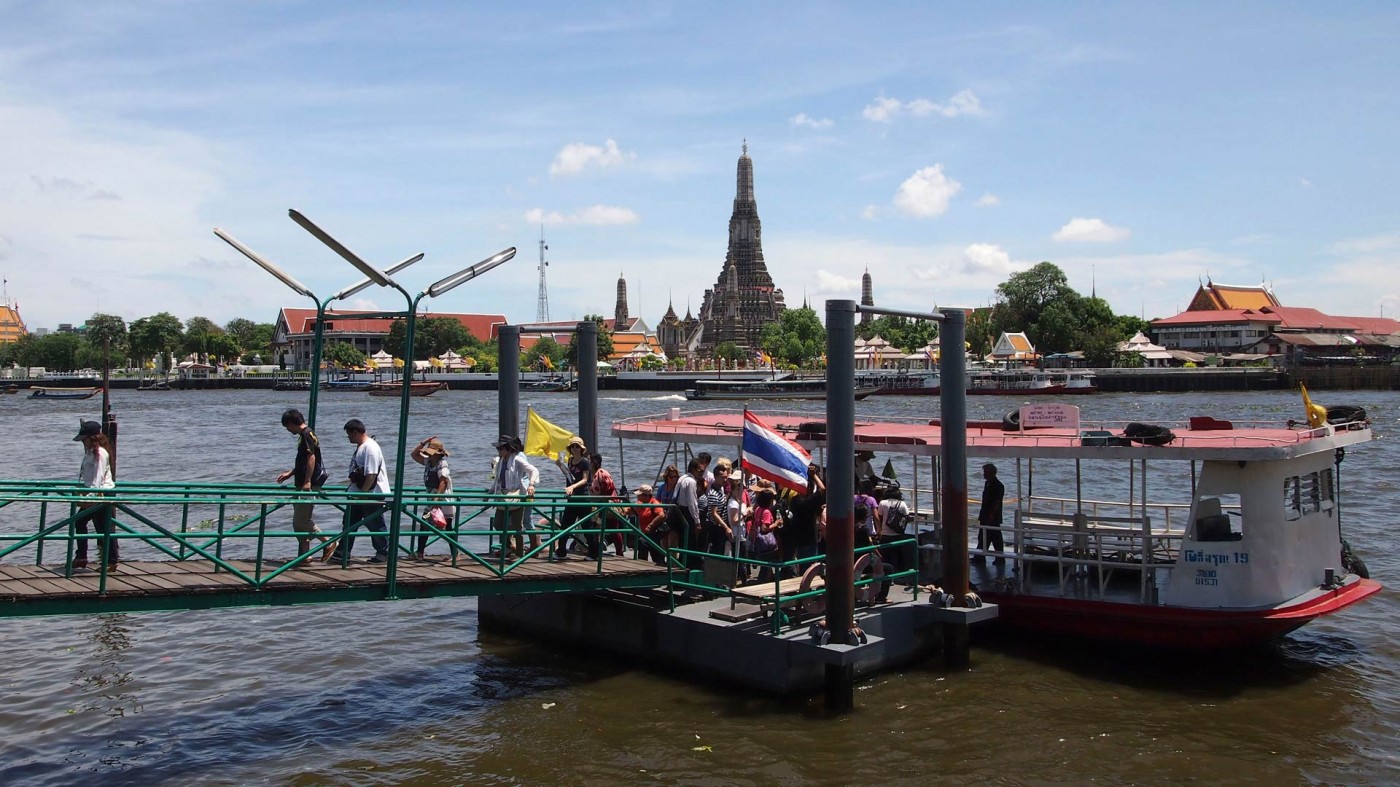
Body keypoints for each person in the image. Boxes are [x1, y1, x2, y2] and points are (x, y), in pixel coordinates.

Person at [329, 419, 391, 564]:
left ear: (355, 432)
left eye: (349, 435)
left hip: (370, 494)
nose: (348, 438)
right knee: (349, 522)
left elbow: (371, 474)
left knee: (375, 524)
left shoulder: (370, 448)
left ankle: (384, 553)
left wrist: (363, 494)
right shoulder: (363, 447)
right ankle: (342, 553)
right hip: (359, 494)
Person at [276, 408, 333, 563]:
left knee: (302, 520)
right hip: (303, 483)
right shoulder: (306, 434)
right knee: (298, 522)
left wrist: (307, 480)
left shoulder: (306, 434)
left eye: (287, 427)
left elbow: (311, 458)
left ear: (291, 423)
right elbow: (303, 461)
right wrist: (291, 473)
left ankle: (329, 542)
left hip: (308, 484)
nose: (288, 430)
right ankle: (305, 555)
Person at [71, 421, 117, 570]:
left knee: (84, 522)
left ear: (93, 438)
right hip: (94, 492)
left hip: (102, 493)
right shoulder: (91, 452)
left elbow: (98, 476)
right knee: (101, 527)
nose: (83, 441)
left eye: (85, 438)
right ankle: (105, 560)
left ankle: (85, 557)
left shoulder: (101, 453)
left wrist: (91, 495)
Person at [490, 434, 538, 558]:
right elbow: (498, 479)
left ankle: (519, 553)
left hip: (517, 495)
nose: (499, 451)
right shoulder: (501, 461)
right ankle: (508, 546)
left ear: (508, 448)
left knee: (518, 526)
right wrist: (491, 491)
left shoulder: (517, 459)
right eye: (498, 449)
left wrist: (531, 485)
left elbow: (533, 470)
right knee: (498, 523)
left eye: (501, 448)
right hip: (503, 495)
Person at [410, 436, 453, 560]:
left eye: (431, 453)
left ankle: (454, 554)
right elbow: (414, 454)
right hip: (431, 499)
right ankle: (420, 553)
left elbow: (443, 482)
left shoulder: (442, 464)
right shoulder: (428, 462)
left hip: (441, 500)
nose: (429, 455)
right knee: (424, 524)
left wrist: (436, 500)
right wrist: (424, 442)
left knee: (447, 527)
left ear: (438, 454)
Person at [555, 436, 590, 559]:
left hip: (582, 498)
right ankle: (561, 552)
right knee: (565, 525)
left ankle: (594, 553)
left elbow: (585, 480)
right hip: (571, 498)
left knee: (587, 526)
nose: (574, 449)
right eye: (572, 447)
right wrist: (560, 465)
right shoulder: (570, 460)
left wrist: (573, 487)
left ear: (581, 449)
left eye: (577, 447)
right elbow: (569, 475)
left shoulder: (585, 461)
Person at [586, 451, 624, 558]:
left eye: (589, 460)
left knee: (613, 529)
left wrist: (603, 501)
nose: (587, 462)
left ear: (594, 462)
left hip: (608, 503)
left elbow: (609, 488)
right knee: (596, 528)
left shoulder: (602, 473)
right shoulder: (592, 474)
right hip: (597, 504)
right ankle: (596, 550)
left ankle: (619, 552)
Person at [876, 487, 913, 584]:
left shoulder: (882, 503)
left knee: (885, 558)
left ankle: (887, 579)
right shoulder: (902, 504)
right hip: (898, 535)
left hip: (885, 534)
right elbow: (907, 517)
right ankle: (901, 577)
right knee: (899, 557)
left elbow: (879, 518)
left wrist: (879, 530)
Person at [630, 485, 669, 564]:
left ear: (646, 495)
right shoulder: (640, 503)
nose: (637, 496)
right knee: (643, 544)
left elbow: (661, 515)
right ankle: (642, 564)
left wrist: (650, 525)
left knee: (649, 546)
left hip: (654, 531)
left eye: (639, 495)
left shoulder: (654, 503)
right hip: (645, 533)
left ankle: (660, 564)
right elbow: (629, 510)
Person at [977, 463, 1006, 564]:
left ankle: (999, 558)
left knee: (995, 537)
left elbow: (997, 502)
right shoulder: (988, 483)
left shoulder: (998, 485)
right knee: (983, 536)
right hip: (985, 514)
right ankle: (979, 556)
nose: (984, 474)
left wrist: (991, 515)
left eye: (985, 472)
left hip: (992, 516)